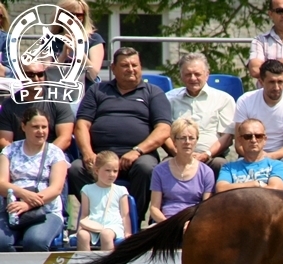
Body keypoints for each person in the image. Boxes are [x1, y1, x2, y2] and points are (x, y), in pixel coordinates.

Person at [68, 47, 172, 224]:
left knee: (147, 169)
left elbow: (163, 129)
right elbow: (81, 125)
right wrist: (87, 153)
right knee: (76, 169)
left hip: (138, 156)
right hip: (101, 157)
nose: (130, 69)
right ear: (113, 68)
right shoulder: (97, 91)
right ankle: (98, 217)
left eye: (135, 65)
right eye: (125, 65)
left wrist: (137, 151)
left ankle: (132, 221)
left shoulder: (153, 93)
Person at [0, 108, 68, 252]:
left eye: (44, 127)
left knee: (35, 241)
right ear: (24, 126)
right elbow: (2, 183)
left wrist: (28, 204)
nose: (41, 131)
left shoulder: (55, 153)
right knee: (1, 242)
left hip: (46, 210)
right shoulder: (10, 150)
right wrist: (23, 194)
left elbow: (56, 189)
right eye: (35, 127)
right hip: (11, 208)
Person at [234, 60, 283, 191]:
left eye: (280, 82)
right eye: (271, 82)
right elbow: (239, 142)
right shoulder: (245, 100)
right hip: (250, 153)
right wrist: (256, 157)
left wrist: (268, 157)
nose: (277, 87)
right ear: (261, 82)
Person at [165, 52, 235, 178]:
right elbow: (163, 132)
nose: (193, 78)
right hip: (176, 156)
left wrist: (206, 154)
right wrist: (178, 153)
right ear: (181, 76)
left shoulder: (224, 99)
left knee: (221, 165)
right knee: (163, 166)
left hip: (212, 157)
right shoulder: (169, 99)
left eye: (197, 74)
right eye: (188, 74)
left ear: (207, 75)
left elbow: (227, 137)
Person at [0, 62, 75, 153]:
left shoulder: (58, 100)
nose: (36, 79)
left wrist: (42, 157)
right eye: (30, 75)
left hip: (53, 155)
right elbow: (4, 141)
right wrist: (23, 158)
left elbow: (65, 138)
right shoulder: (9, 105)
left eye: (40, 74)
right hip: (19, 157)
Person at [149, 118, 214, 223]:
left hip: (193, 224)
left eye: (191, 138)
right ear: (174, 141)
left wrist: (190, 224)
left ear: (196, 141)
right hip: (165, 223)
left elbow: (205, 210)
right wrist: (169, 225)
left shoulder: (206, 172)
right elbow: (154, 208)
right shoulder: (159, 171)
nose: (187, 142)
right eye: (183, 138)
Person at [76, 151, 131, 251]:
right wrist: (80, 229)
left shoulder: (121, 190)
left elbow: (125, 215)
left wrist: (128, 232)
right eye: (107, 170)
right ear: (97, 171)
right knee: (83, 235)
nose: (112, 174)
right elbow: (84, 214)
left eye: (115, 171)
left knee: (106, 234)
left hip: (113, 225)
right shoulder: (87, 189)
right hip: (94, 225)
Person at [216, 119, 283, 192]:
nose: (253, 140)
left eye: (258, 136)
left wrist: (236, 187)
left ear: (265, 139)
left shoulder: (277, 165)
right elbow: (221, 189)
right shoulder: (229, 168)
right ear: (240, 140)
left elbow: (276, 191)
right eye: (248, 136)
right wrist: (255, 184)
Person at [51, 0, 105, 91]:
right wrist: (63, 55)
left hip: (86, 92)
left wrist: (79, 50)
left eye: (79, 15)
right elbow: (48, 75)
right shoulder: (51, 39)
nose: (75, 19)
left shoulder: (94, 39)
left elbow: (93, 75)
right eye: (70, 15)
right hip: (58, 93)